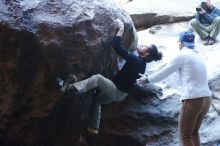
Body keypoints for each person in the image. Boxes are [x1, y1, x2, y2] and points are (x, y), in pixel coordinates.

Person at [57, 19, 162, 135]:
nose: (142, 45)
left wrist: (121, 28)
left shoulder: (136, 60)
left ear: (146, 53)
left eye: (145, 46)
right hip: (120, 93)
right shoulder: (141, 65)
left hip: (116, 91)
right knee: (97, 99)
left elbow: (116, 45)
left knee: (97, 79)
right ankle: (93, 127)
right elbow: (126, 73)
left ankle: (68, 88)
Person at [137, 31, 211, 146]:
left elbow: (164, 72)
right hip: (206, 99)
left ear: (181, 42)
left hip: (193, 100)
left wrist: (147, 79)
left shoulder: (182, 55)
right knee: (194, 133)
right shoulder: (197, 54)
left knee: (185, 136)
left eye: (179, 43)